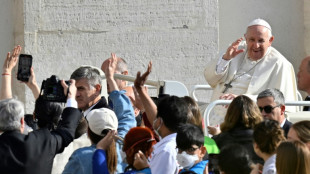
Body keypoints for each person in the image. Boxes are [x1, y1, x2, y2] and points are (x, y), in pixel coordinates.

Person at [204, 18, 298, 126]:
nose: (256, 45)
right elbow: (210, 79)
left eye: (261, 40)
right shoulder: (235, 50)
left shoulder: (280, 64)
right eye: (252, 40)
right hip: (216, 111)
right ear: (245, 38)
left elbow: (278, 103)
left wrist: (243, 100)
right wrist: (225, 59)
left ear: (270, 40)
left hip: (247, 120)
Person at [133, 61, 189, 174]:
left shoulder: (166, 151)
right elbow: (154, 116)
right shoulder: (178, 140)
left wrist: (144, 169)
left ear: (160, 121)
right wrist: (140, 89)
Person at [211, 95, 263, 164]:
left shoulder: (217, 140)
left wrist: (217, 135)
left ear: (229, 114)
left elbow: (210, 164)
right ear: (255, 113)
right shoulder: (264, 138)